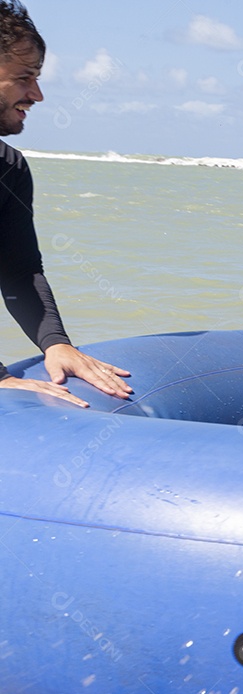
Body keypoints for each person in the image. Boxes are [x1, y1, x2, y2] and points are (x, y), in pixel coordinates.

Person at [0, 0, 131, 407]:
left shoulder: (9, 168)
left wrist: (55, 344)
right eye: (24, 78)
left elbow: (19, 271)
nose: (37, 94)